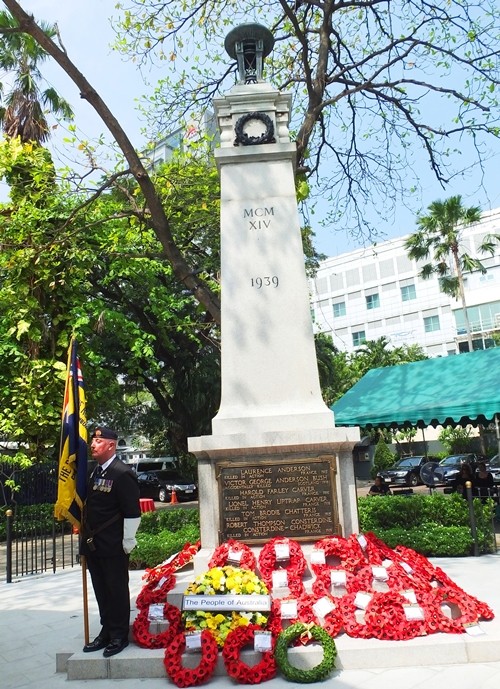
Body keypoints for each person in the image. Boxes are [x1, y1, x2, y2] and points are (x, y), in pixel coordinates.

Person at [81, 427, 141, 657]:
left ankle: (118, 635)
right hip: (94, 543)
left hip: (113, 544)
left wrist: (128, 541)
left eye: (98, 441)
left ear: (111, 445)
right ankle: (106, 630)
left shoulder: (122, 473)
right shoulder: (95, 472)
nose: (93, 445)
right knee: (101, 589)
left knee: (116, 589)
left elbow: (132, 512)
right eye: (93, 441)